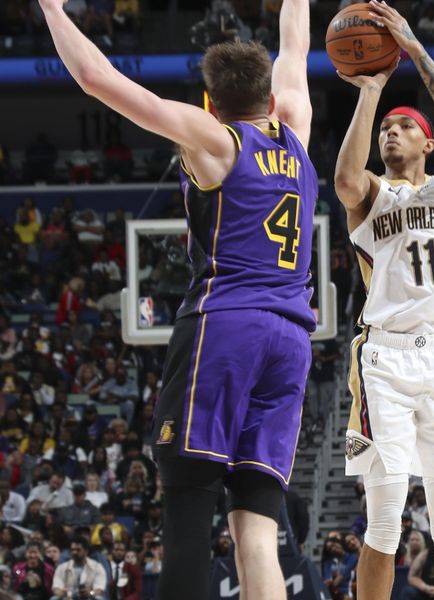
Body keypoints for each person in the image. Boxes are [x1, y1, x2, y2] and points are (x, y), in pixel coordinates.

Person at [38, 0, 315, 598]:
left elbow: (97, 79)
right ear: (270, 96)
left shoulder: (214, 139)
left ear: (211, 101)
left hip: (226, 327)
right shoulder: (295, 127)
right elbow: (295, 46)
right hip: (292, 340)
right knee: (257, 531)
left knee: (188, 511)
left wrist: (52, 9)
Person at [333, 2, 434, 598]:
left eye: (402, 127)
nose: (392, 134)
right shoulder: (372, 193)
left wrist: (414, 49)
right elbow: (344, 178)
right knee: (385, 518)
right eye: (385, 130)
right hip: (386, 362)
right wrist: (370, 91)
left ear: (426, 142)